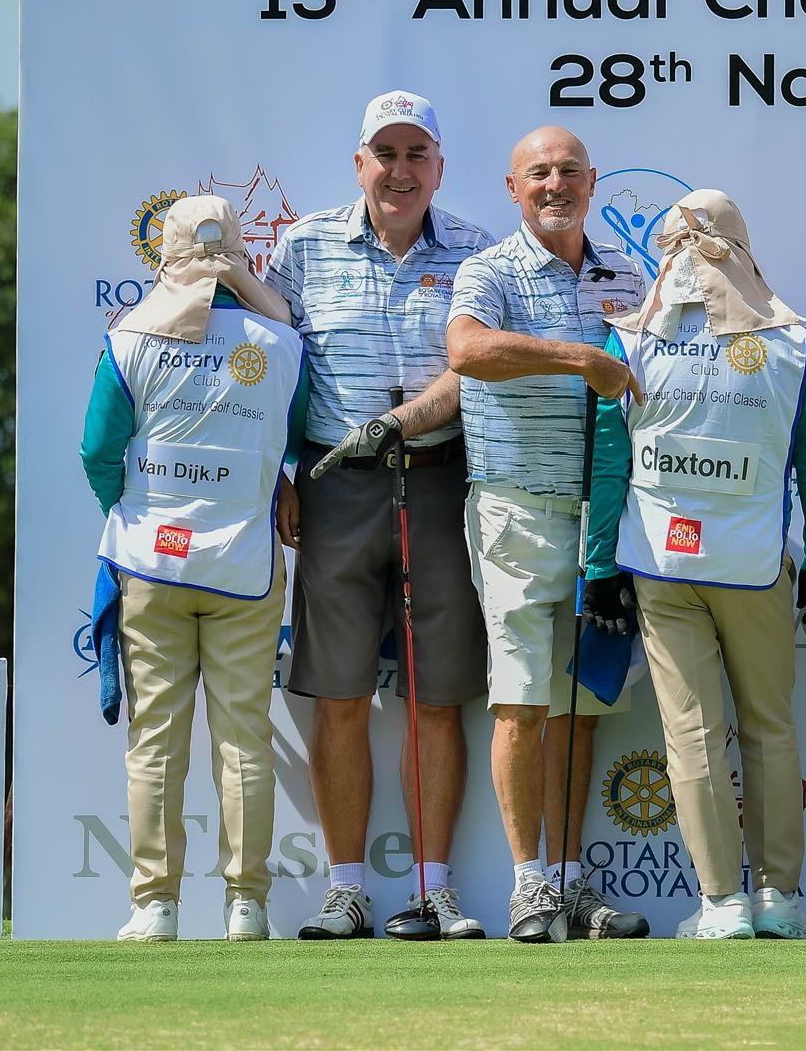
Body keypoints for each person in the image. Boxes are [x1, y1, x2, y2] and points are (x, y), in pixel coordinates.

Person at [269, 90, 495, 941]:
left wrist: (410, 419)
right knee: (340, 696)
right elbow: (274, 365)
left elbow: (477, 366)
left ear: (439, 166)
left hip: (441, 481)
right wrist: (281, 473)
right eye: (386, 154)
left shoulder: (476, 249)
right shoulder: (303, 245)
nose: (401, 171)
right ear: (359, 162)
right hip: (335, 484)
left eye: (416, 154)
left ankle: (434, 893)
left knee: (437, 698)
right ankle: (346, 891)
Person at [585, 189, 806, 941]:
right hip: (754, 561)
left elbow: (610, 463)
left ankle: (723, 903)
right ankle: (779, 901)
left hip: (663, 560)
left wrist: (599, 565)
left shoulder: (629, 339)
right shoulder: (793, 340)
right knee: (770, 726)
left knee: (691, 733)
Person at [446, 126, 652, 944]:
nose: (555, 184)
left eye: (569, 171)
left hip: (604, 520)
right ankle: (528, 883)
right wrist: (578, 358)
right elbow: (466, 350)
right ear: (513, 187)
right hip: (517, 508)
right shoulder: (489, 270)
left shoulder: (626, 274)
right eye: (539, 173)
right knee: (523, 702)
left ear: (593, 182)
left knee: (580, 703)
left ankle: (569, 883)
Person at [80, 196, 305, 941]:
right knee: (243, 737)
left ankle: (155, 905)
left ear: (164, 257)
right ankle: (248, 905)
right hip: (244, 564)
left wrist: (133, 510)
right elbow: (294, 436)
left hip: (151, 562)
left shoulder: (127, 338)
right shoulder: (281, 341)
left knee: (155, 739)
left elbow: (97, 452)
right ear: (241, 255)